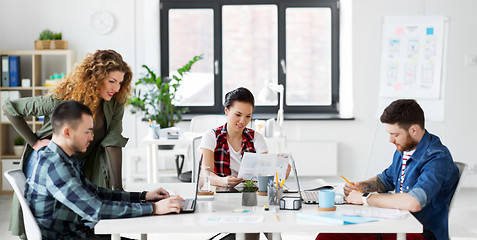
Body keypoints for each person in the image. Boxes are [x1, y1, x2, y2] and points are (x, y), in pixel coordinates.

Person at [3, 49, 132, 237]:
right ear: (95, 78)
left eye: (120, 82)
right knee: (56, 222)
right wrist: (35, 142)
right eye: (111, 81)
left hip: (78, 164)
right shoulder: (64, 100)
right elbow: (10, 108)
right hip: (52, 162)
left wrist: (119, 188)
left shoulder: (114, 101)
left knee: (87, 218)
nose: (116, 88)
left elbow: (113, 139)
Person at [26, 100, 184, 240]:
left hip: (77, 232)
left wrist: (144, 196)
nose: (91, 137)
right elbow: (97, 210)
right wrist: (154, 208)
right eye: (87, 131)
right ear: (67, 132)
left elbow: (96, 192)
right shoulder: (56, 166)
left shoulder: (59, 158)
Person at [317, 99, 459, 240]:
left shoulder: (437, 159)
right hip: (397, 224)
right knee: (326, 235)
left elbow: (413, 202)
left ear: (413, 130)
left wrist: (365, 197)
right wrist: (361, 186)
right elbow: (385, 180)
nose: (390, 139)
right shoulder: (404, 149)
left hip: (418, 233)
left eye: (395, 134)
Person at [200, 87, 269, 187]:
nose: (243, 121)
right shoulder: (211, 137)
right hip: (220, 192)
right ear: (226, 110)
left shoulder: (256, 138)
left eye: (248, 116)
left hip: (249, 193)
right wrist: (223, 181)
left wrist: (280, 173)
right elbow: (205, 174)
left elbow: (264, 172)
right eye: (238, 114)